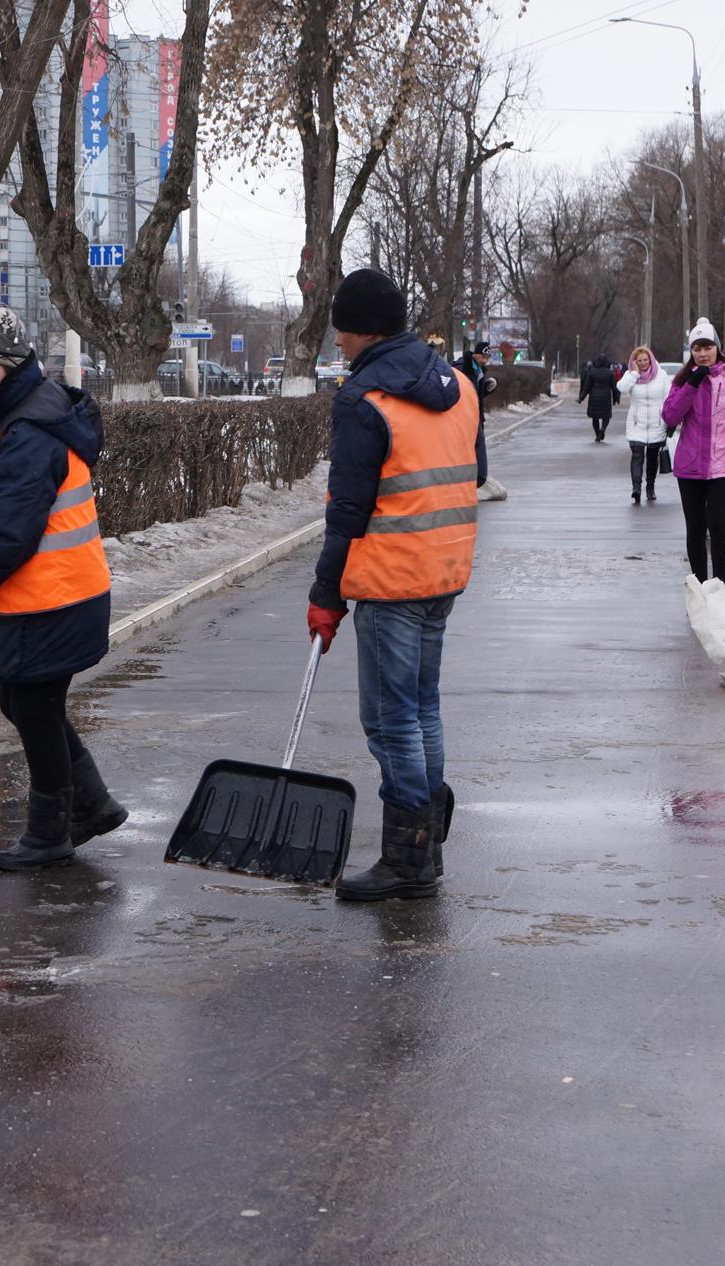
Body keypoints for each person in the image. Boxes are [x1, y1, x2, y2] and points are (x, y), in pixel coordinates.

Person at [306, 269, 480, 903]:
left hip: (389, 580)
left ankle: (407, 858)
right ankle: (425, 844)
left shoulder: (363, 401)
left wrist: (327, 592)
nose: (340, 345)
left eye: (342, 332)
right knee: (422, 709)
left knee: (388, 722)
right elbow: (473, 469)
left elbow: (346, 512)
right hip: (445, 572)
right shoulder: (460, 385)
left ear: (361, 330)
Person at [0, 304, 125, 872]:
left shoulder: (30, 430)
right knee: (25, 701)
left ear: (14, 369)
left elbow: (11, 532)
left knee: (35, 707)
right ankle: (91, 804)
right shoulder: (20, 417)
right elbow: (1, 487)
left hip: (55, 600)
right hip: (54, 596)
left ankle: (50, 834)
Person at [661, 319, 725, 584]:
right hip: (690, 467)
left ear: (717, 347)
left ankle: (719, 584)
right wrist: (692, 384)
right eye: (697, 348)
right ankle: (699, 585)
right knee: (695, 528)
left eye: (707, 346)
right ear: (691, 351)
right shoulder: (683, 380)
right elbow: (670, 416)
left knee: (717, 523)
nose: (702, 353)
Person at [615, 345, 670, 504]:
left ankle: (650, 487)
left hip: (656, 423)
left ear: (650, 359)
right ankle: (636, 489)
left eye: (645, 360)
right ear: (634, 362)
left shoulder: (662, 375)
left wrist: (668, 419)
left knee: (652, 458)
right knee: (637, 455)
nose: (643, 363)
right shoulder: (631, 375)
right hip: (637, 423)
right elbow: (621, 388)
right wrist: (634, 374)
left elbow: (668, 397)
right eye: (639, 361)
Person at [453, 341, 501, 499]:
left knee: (475, 452)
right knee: (468, 451)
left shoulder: (478, 370)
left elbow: (474, 396)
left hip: (475, 417)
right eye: (483, 357)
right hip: (465, 418)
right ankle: (470, 483)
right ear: (475, 354)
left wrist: (486, 388)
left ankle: (474, 483)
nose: (485, 360)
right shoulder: (462, 369)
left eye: (487, 357)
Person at [578, 353, 619, 443]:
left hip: (594, 397)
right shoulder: (610, 373)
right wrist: (616, 398)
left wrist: (581, 398)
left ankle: (597, 434)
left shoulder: (592, 372)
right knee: (606, 417)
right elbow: (614, 387)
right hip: (606, 397)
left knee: (595, 417)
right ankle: (603, 429)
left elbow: (587, 387)